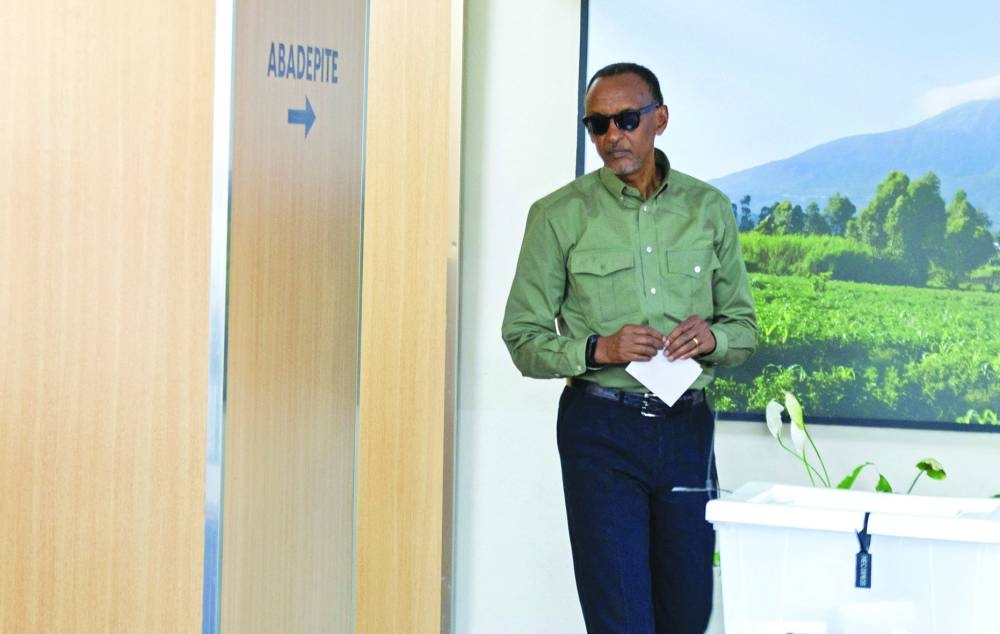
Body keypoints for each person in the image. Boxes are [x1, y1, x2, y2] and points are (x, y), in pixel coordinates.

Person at [501, 62, 757, 633]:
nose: (612, 135)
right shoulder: (557, 216)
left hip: (687, 430)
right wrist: (599, 349)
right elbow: (522, 337)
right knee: (620, 616)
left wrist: (713, 338)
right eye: (597, 124)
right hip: (601, 431)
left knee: (687, 613)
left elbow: (743, 328)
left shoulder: (709, 209)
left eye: (626, 119)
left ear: (659, 119)